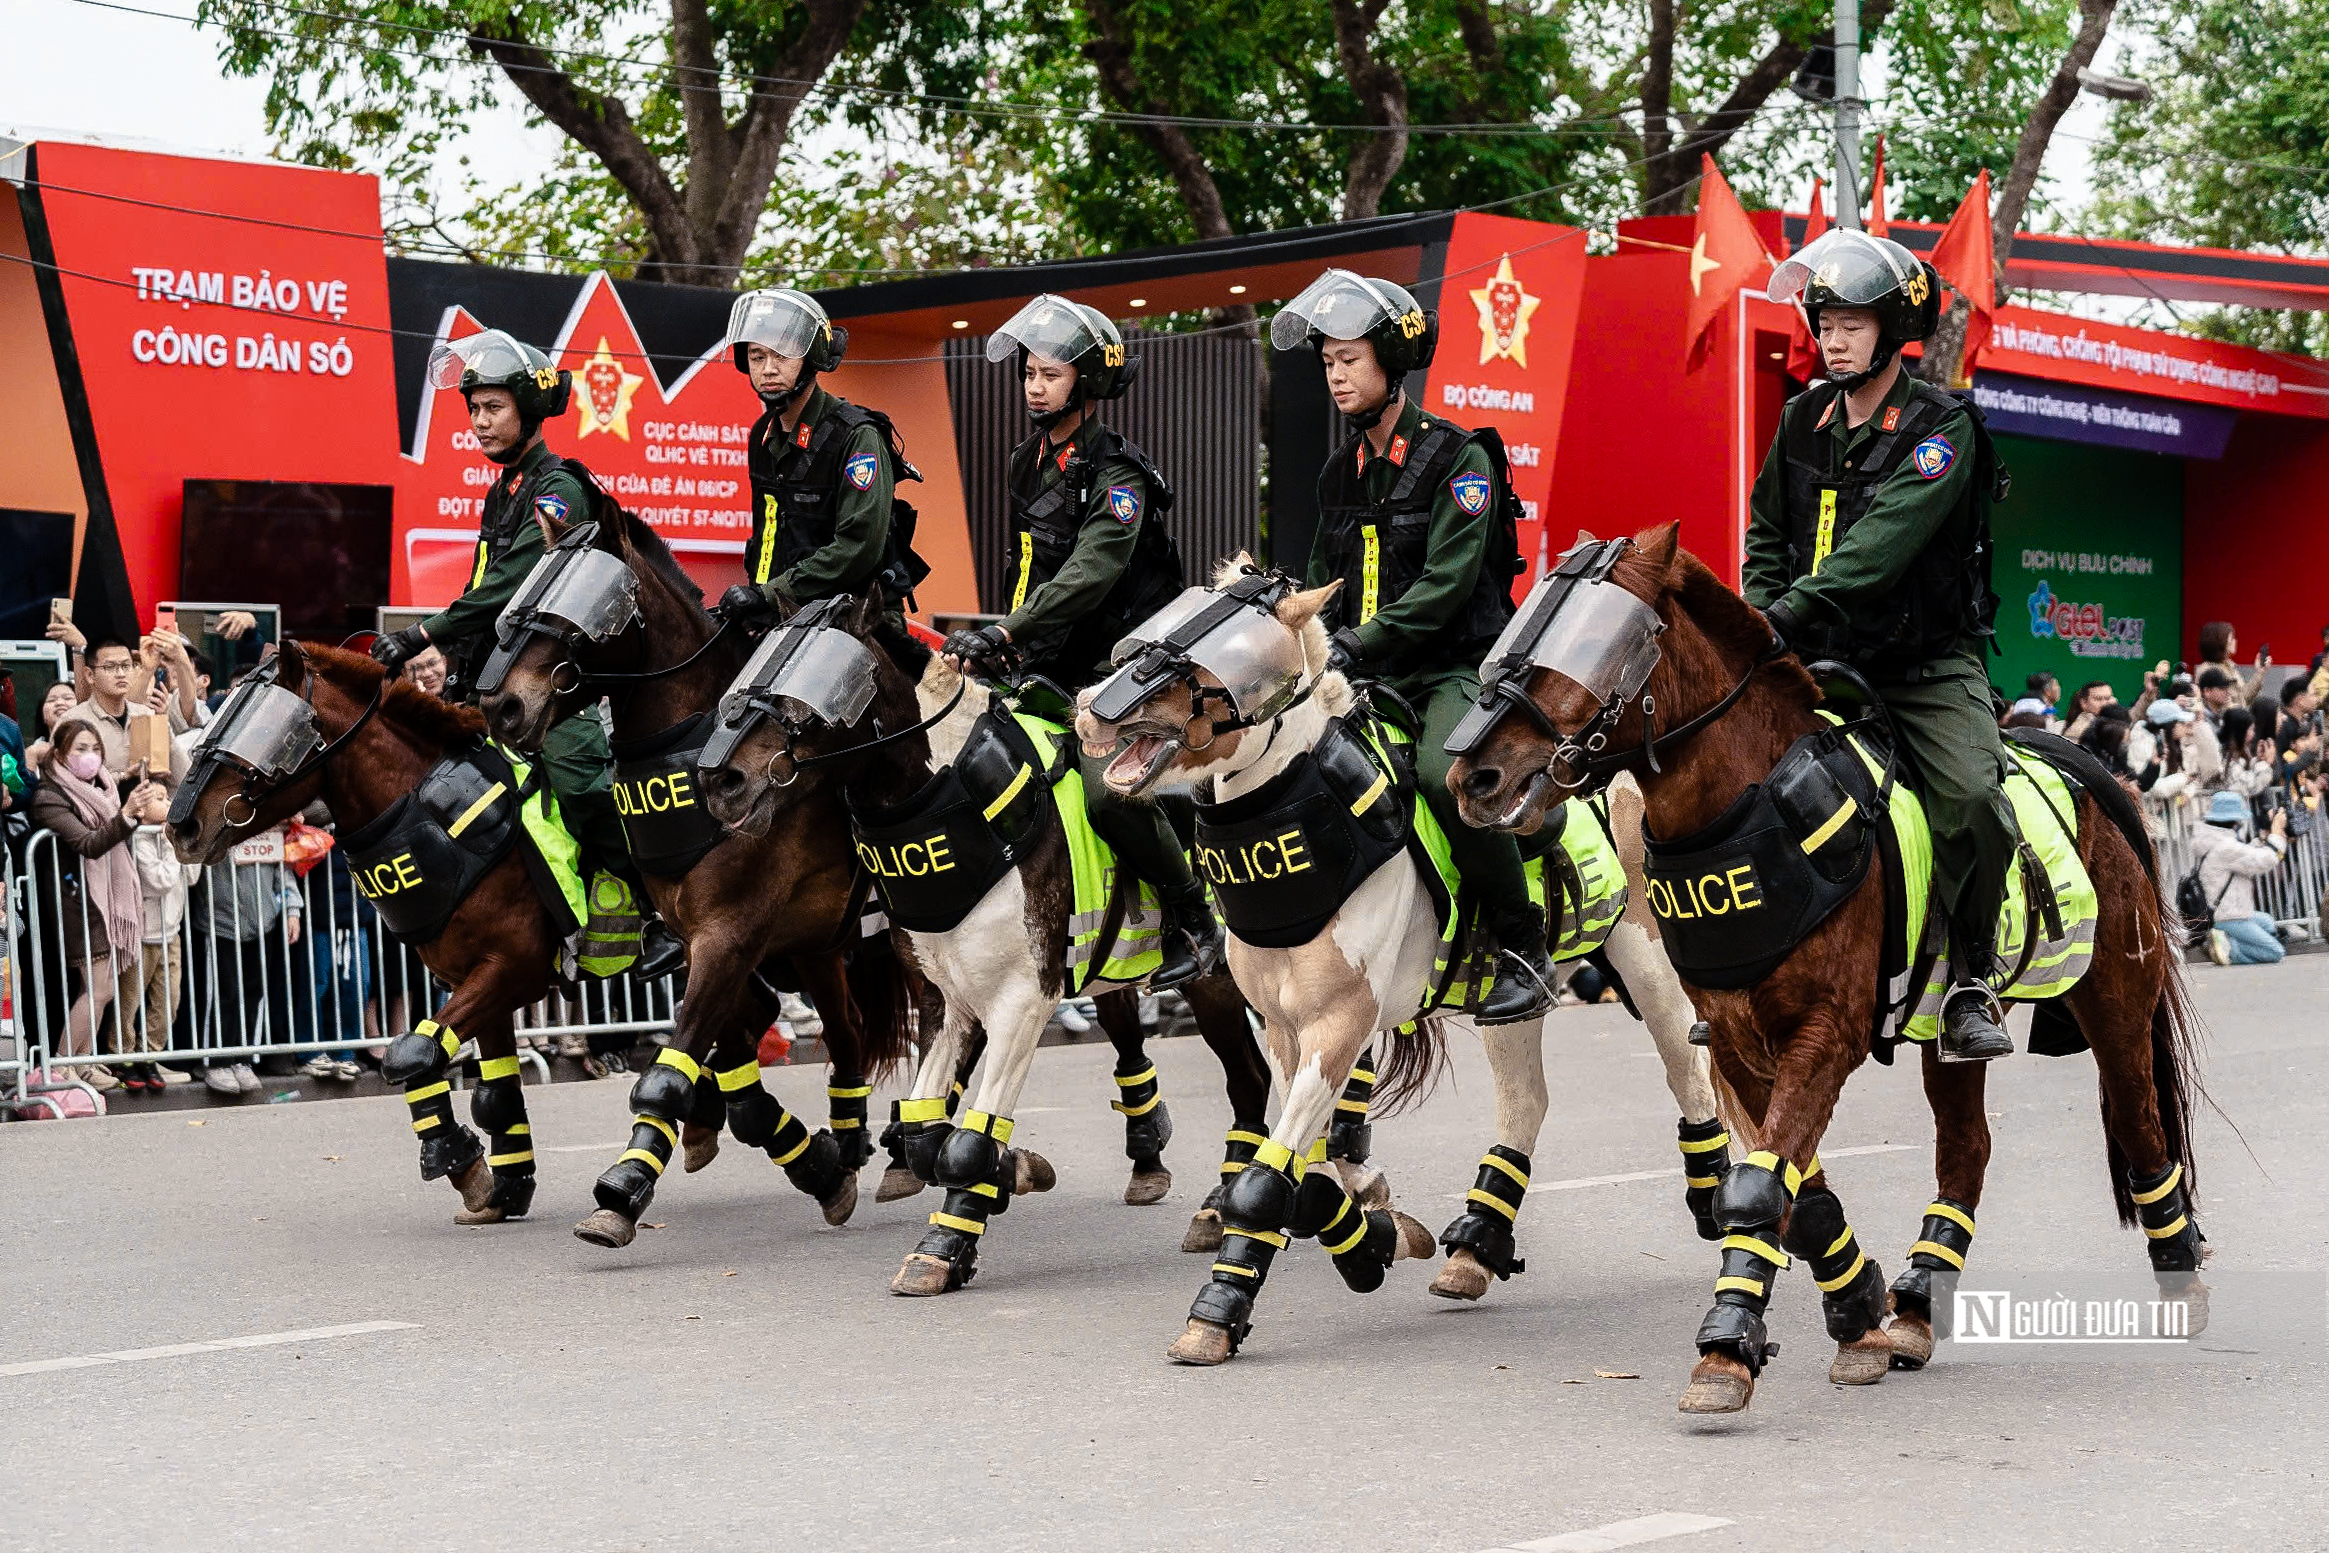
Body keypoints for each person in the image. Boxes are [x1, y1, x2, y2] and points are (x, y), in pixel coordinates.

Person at [1752, 228, 2015, 1061]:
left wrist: (1782, 617)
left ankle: (1972, 973)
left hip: (1922, 667)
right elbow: (1763, 534)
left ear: (1894, 331)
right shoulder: (1799, 419)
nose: (1829, 336)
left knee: (1971, 798)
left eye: (1850, 322)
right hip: (1811, 662)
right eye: (1822, 319)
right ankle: (1747, 967)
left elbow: (1879, 549)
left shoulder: (1942, 429)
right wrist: (1756, 620)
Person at [1273, 267, 1552, 1024]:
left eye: (1349, 360)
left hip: (1451, 667)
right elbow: (1323, 581)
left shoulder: (1458, 458)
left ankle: (1522, 941)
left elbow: (1448, 585)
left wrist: (1358, 645)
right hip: (1359, 670)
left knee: (1441, 777)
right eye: (1326, 362)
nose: (1334, 375)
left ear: (1392, 363)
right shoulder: (1338, 470)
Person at [369, 329, 682, 982]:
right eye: (474, 409)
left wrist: (419, 633)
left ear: (528, 410)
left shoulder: (557, 486)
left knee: (582, 783)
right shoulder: (502, 492)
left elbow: (511, 582)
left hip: (556, 682)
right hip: (495, 680)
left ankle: (657, 919)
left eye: (493, 407)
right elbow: (483, 592)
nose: (480, 421)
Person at [942, 294, 1222, 990]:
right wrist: (1004, 642)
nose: (1035, 385)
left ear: (1088, 383)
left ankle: (1193, 914)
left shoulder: (1118, 474)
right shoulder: (1025, 462)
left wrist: (1009, 627)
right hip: (1048, 665)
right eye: (1030, 372)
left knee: (1106, 797)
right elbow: (1029, 569)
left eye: (1051, 374)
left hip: (1124, 672)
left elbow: (1090, 573)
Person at [713, 288, 928, 668]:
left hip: (857, 623)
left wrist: (770, 594)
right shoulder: (762, 436)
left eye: (782, 355)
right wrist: (758, 600)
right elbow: (767, 538)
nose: (768, 368)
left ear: (811, 358)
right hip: (786, 618)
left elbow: (858, 548)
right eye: (757, 356)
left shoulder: (856, 436)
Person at [30, 718, 166, 1092]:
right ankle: (60, 1066)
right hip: (77, 902)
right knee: (99, 989)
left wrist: (126, 812)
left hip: (101, 900)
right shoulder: (49, 796)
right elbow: (89, 843)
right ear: (59, 754)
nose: (90, 757)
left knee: (97, 990)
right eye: (80, 749)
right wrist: (126, 816)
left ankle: (84, 1064)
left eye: (95, 749)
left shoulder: (103, 788)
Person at [2190, 790, 2288, 965]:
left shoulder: (2213, 840)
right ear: (2234, 820)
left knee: (2268, 923)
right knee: (2275, 952)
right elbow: (2265, 860)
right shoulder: (2225, 846)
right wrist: (2276, 833)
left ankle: (2225, 938)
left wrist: (2262, 839)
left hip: (2221, 912)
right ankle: (2228, 949)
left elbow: (2243, 859)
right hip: (2228, 916)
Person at [2195, 621, 2265, 705]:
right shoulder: (2206, 670)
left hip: (2238, 717)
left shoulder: (2230, 666)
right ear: (2219, 641)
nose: (2235, 641)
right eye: (2232, 638)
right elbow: (2221, 707)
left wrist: (2260, 672)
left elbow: (2244, 698)